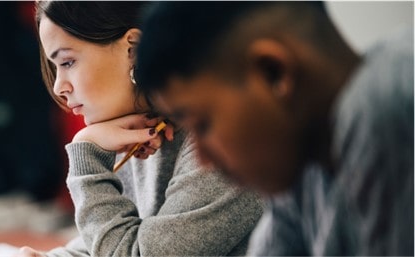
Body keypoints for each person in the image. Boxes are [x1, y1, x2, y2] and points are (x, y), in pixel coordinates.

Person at [135, 1, 413, 256]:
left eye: (203, 125)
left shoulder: (384, 101)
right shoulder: (302, 170)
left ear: (272, 72)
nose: (203, 160)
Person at [17, 2, 263, 257]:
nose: (59, 87)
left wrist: (86, 157)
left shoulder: (229, 140)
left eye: (67, 62)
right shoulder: (138, 127)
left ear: (133, 49)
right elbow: (114, 237)